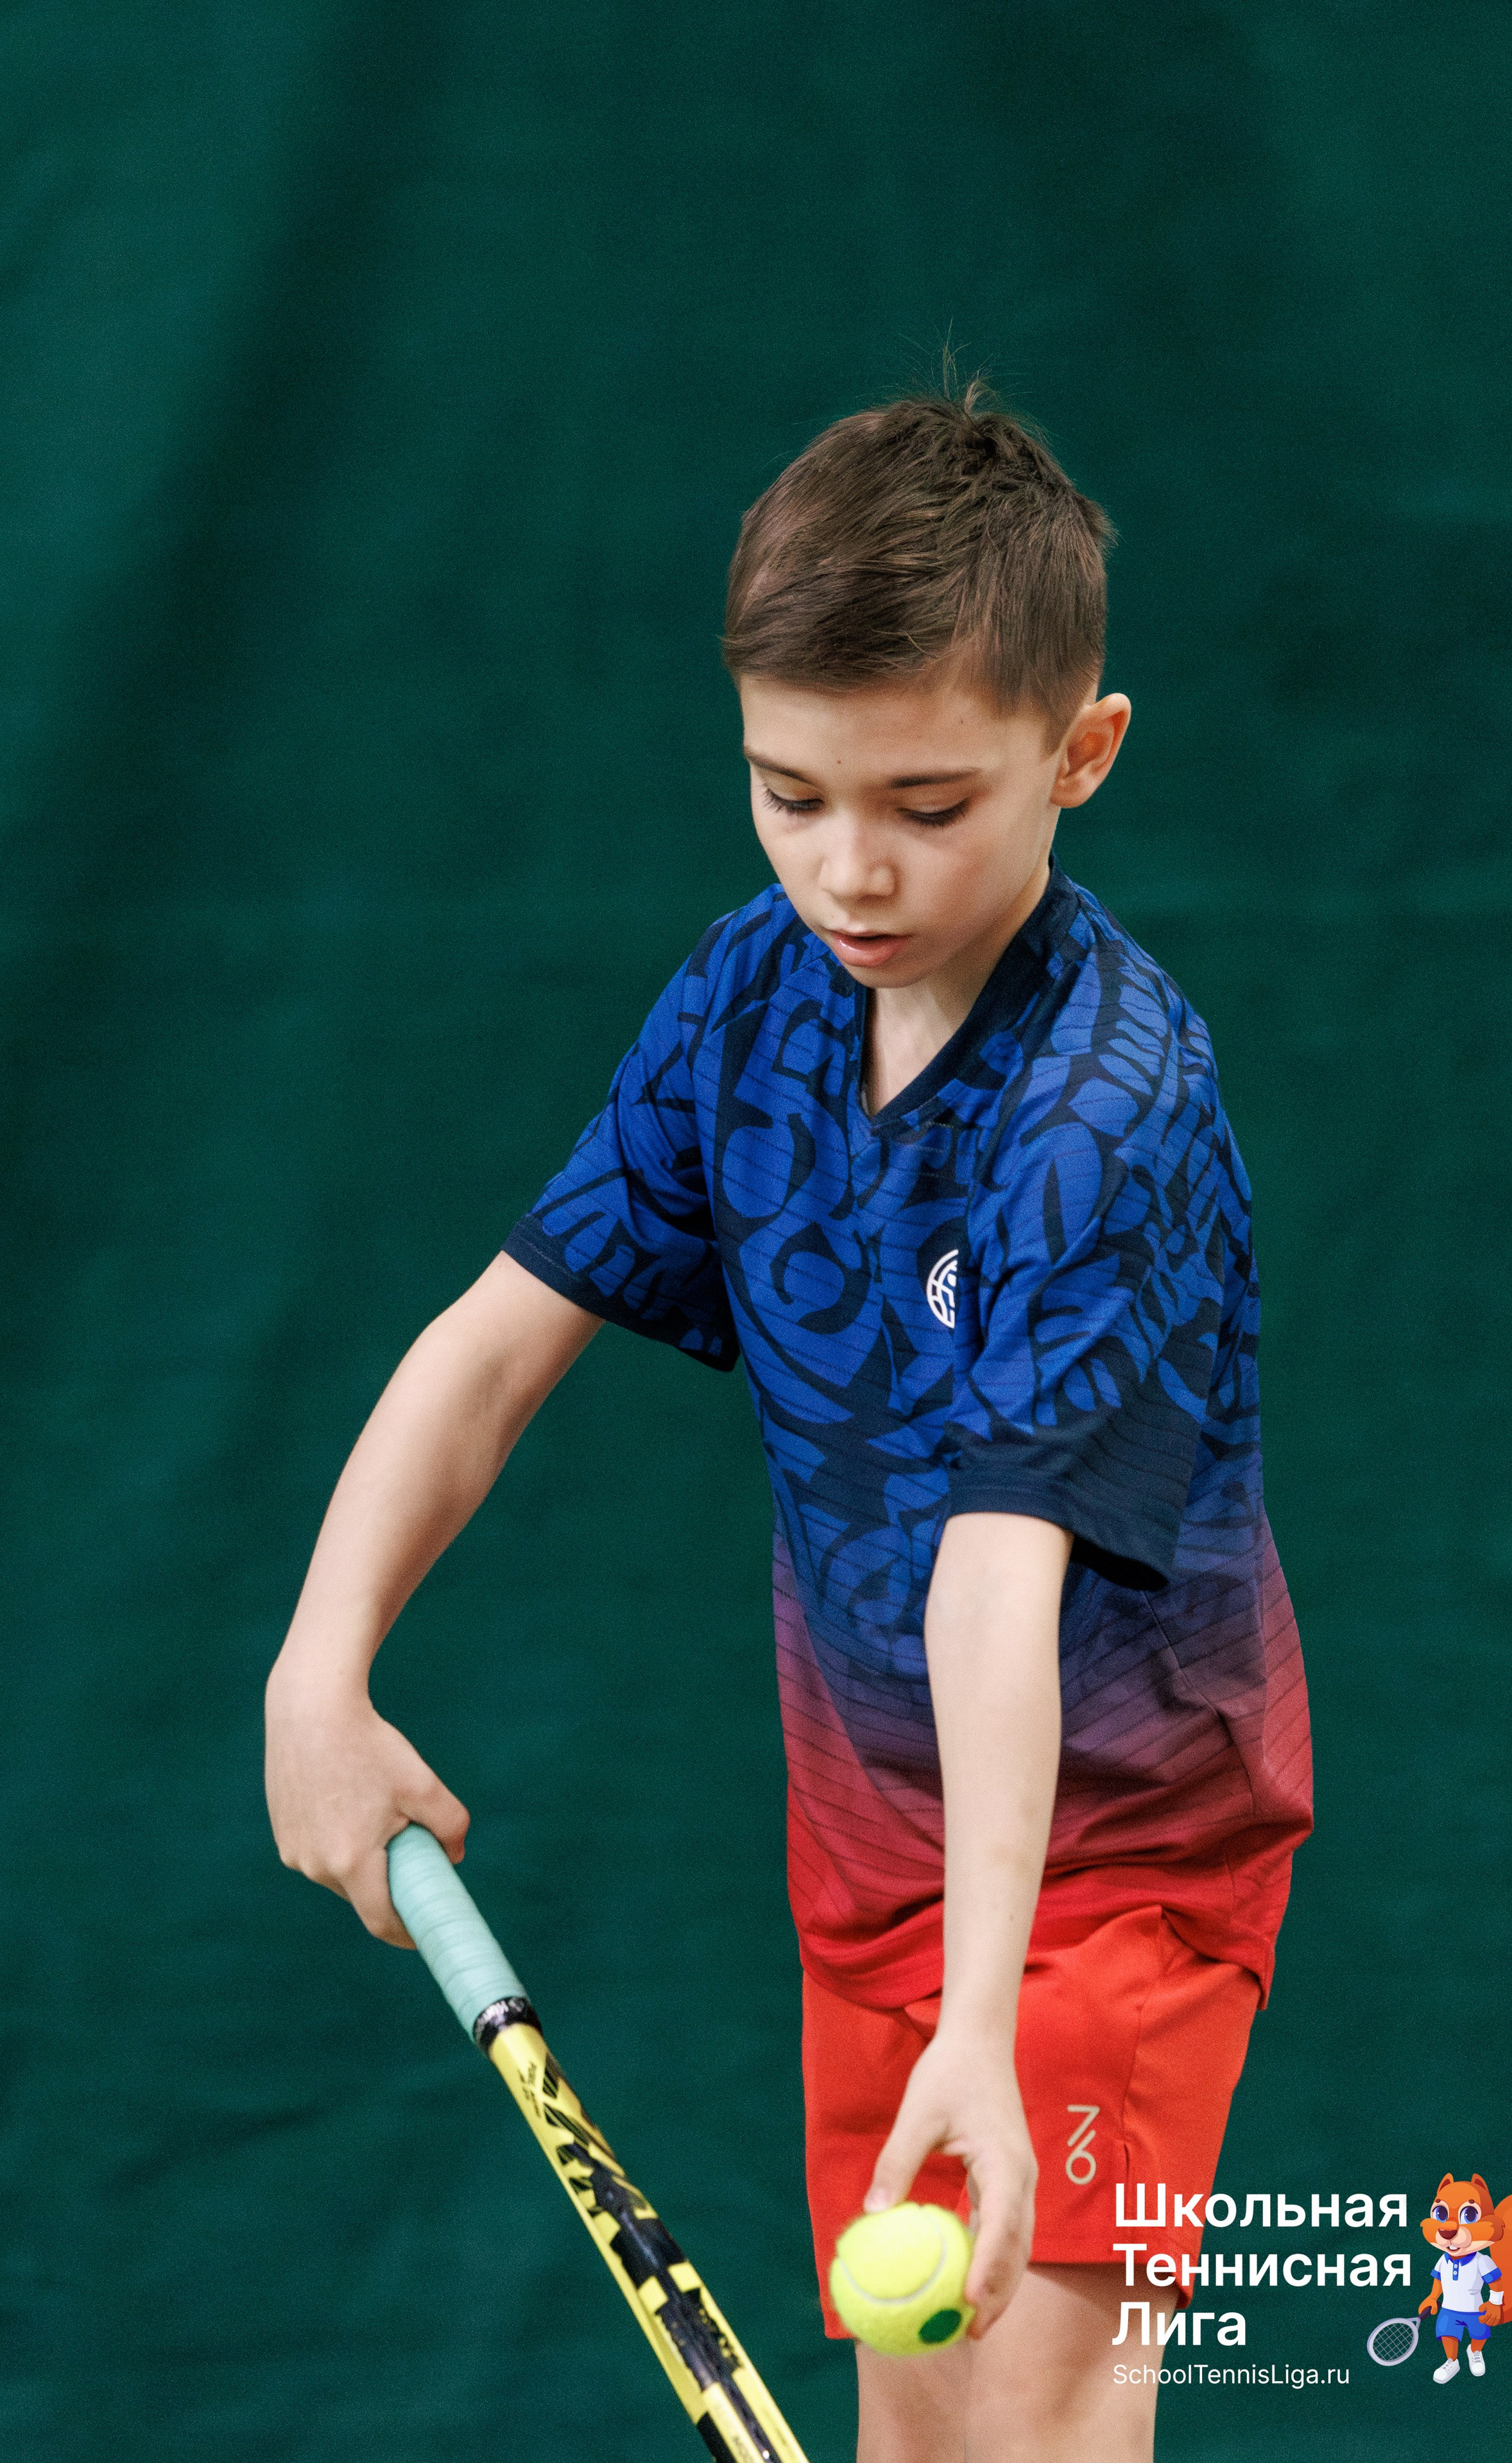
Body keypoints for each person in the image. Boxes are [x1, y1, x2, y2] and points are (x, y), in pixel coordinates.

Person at [264, 384, 1312, 2461]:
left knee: (1026, 2429)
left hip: (1111, 1864)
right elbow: (496, 1340)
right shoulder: (750, 1002)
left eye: (927, 805)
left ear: (1080, 755)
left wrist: (995, 2026)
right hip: (869, 1852)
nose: (851, 868)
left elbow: (994, 1585)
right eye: (790, 792)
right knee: (916, 2437)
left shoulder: (1108, 1118)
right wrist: (324, 1657)